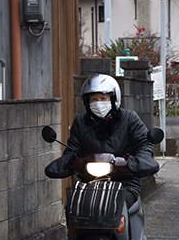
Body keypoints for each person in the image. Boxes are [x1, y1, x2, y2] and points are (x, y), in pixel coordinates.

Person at [45, 73, 159, 206]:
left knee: (118, 206)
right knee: (73, 207)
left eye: (103, 98)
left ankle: (128, 226)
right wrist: (70, 162)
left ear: (113, 99)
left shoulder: (129, 118)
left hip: (124, 182)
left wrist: (134, 162)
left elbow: (144, 145)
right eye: (93, 99)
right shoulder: (80, 122)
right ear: (87, 102)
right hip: (88, 182)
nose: (98, 103)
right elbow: (73, 149)